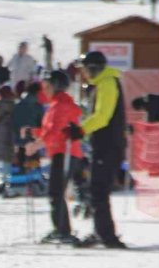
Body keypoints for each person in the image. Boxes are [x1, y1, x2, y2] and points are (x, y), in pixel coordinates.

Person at [72, 51, 127, 248]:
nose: (84, 74)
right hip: (104, 144)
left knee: (98, 190)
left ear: (94, 68)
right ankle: (101, 232)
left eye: (85, 69)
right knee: (96, 189)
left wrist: (81, 130)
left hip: (108, 146)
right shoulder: (101, 84)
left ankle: (107, 236)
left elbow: (103, 116)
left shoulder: (107, 84)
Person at [31, 71, 82, 243]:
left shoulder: (61, 105)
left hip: (64, 153)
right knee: (56, 192)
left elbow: (55, 132)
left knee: (56, 192)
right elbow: (50, 131)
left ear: (56, 86)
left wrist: (36, 144)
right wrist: (33, 133)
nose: (44, 90)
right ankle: (61, 229)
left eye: (47, 86)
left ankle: (63, 230)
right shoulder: (56, 104)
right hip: (60, 152)